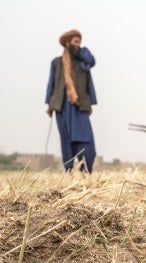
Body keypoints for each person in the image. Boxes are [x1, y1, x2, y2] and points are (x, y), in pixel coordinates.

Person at [45, 29, 97, 173]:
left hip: (79, 107)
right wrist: (49, 104)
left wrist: (81, 51)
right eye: (75, 42)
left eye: (79, 42)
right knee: (66, 141)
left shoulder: (83, 62)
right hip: (61, 107)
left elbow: (91, 61)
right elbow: (51, 83)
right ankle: (68, 171)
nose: (78, 45)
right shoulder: (56, 63)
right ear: (67, 43)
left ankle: (86, 171)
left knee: (86, 141)